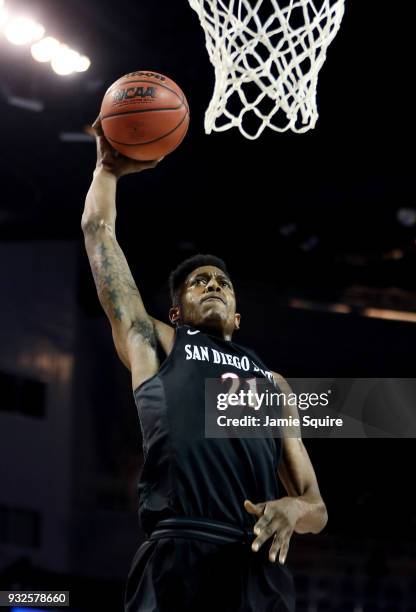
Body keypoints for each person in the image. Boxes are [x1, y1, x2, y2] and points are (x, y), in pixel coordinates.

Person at [82, 118, 328, 612]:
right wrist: (107, 171)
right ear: (177, 311)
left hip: (256, 563)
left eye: (222, 281)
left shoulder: (273, 384)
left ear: (236, 316)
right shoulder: (156, 341)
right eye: (198, 282)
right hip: (179, 552)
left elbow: (316, 505)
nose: (212, 283)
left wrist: (293, 507)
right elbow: (98, 232)